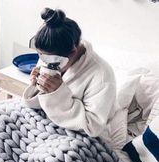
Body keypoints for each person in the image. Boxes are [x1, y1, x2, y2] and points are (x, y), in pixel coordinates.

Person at [22, 8, 126, 149]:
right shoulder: (52, 54)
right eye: (41, 56)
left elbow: (93, 126)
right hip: (47, 123)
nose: (45, 63)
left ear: (73, 51)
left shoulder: (101, 75)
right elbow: (39, 104)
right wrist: (37, 86)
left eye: (50, 59)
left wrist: (57, 94)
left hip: (84, 138)